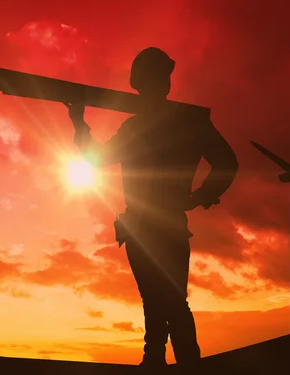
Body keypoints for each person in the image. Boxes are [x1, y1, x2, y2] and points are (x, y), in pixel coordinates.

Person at [64, 47, 239, 371]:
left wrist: (79, 124)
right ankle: (162, 361)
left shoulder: (138, 128)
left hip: (148, 225)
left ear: (140, 84)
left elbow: (96, 158)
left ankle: (163, 362)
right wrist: (203, 195)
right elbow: (227, 163)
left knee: (166, 302)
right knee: (168, 302)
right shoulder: (191, 123)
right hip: (164, 222)